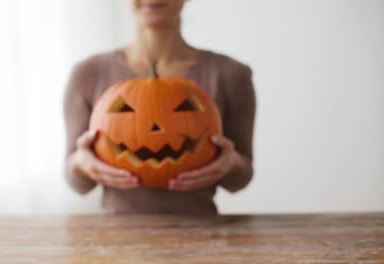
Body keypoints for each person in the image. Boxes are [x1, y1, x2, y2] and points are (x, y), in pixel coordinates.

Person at [63, 0, 255, 214]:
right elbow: (77, 183)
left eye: (185, 108)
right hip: (116, 236)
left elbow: (241, 179)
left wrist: (233, 165)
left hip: (202, 231)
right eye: (124, 109)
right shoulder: (87, 74)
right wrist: (81, 164)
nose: (156, 128)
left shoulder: (231, 74)